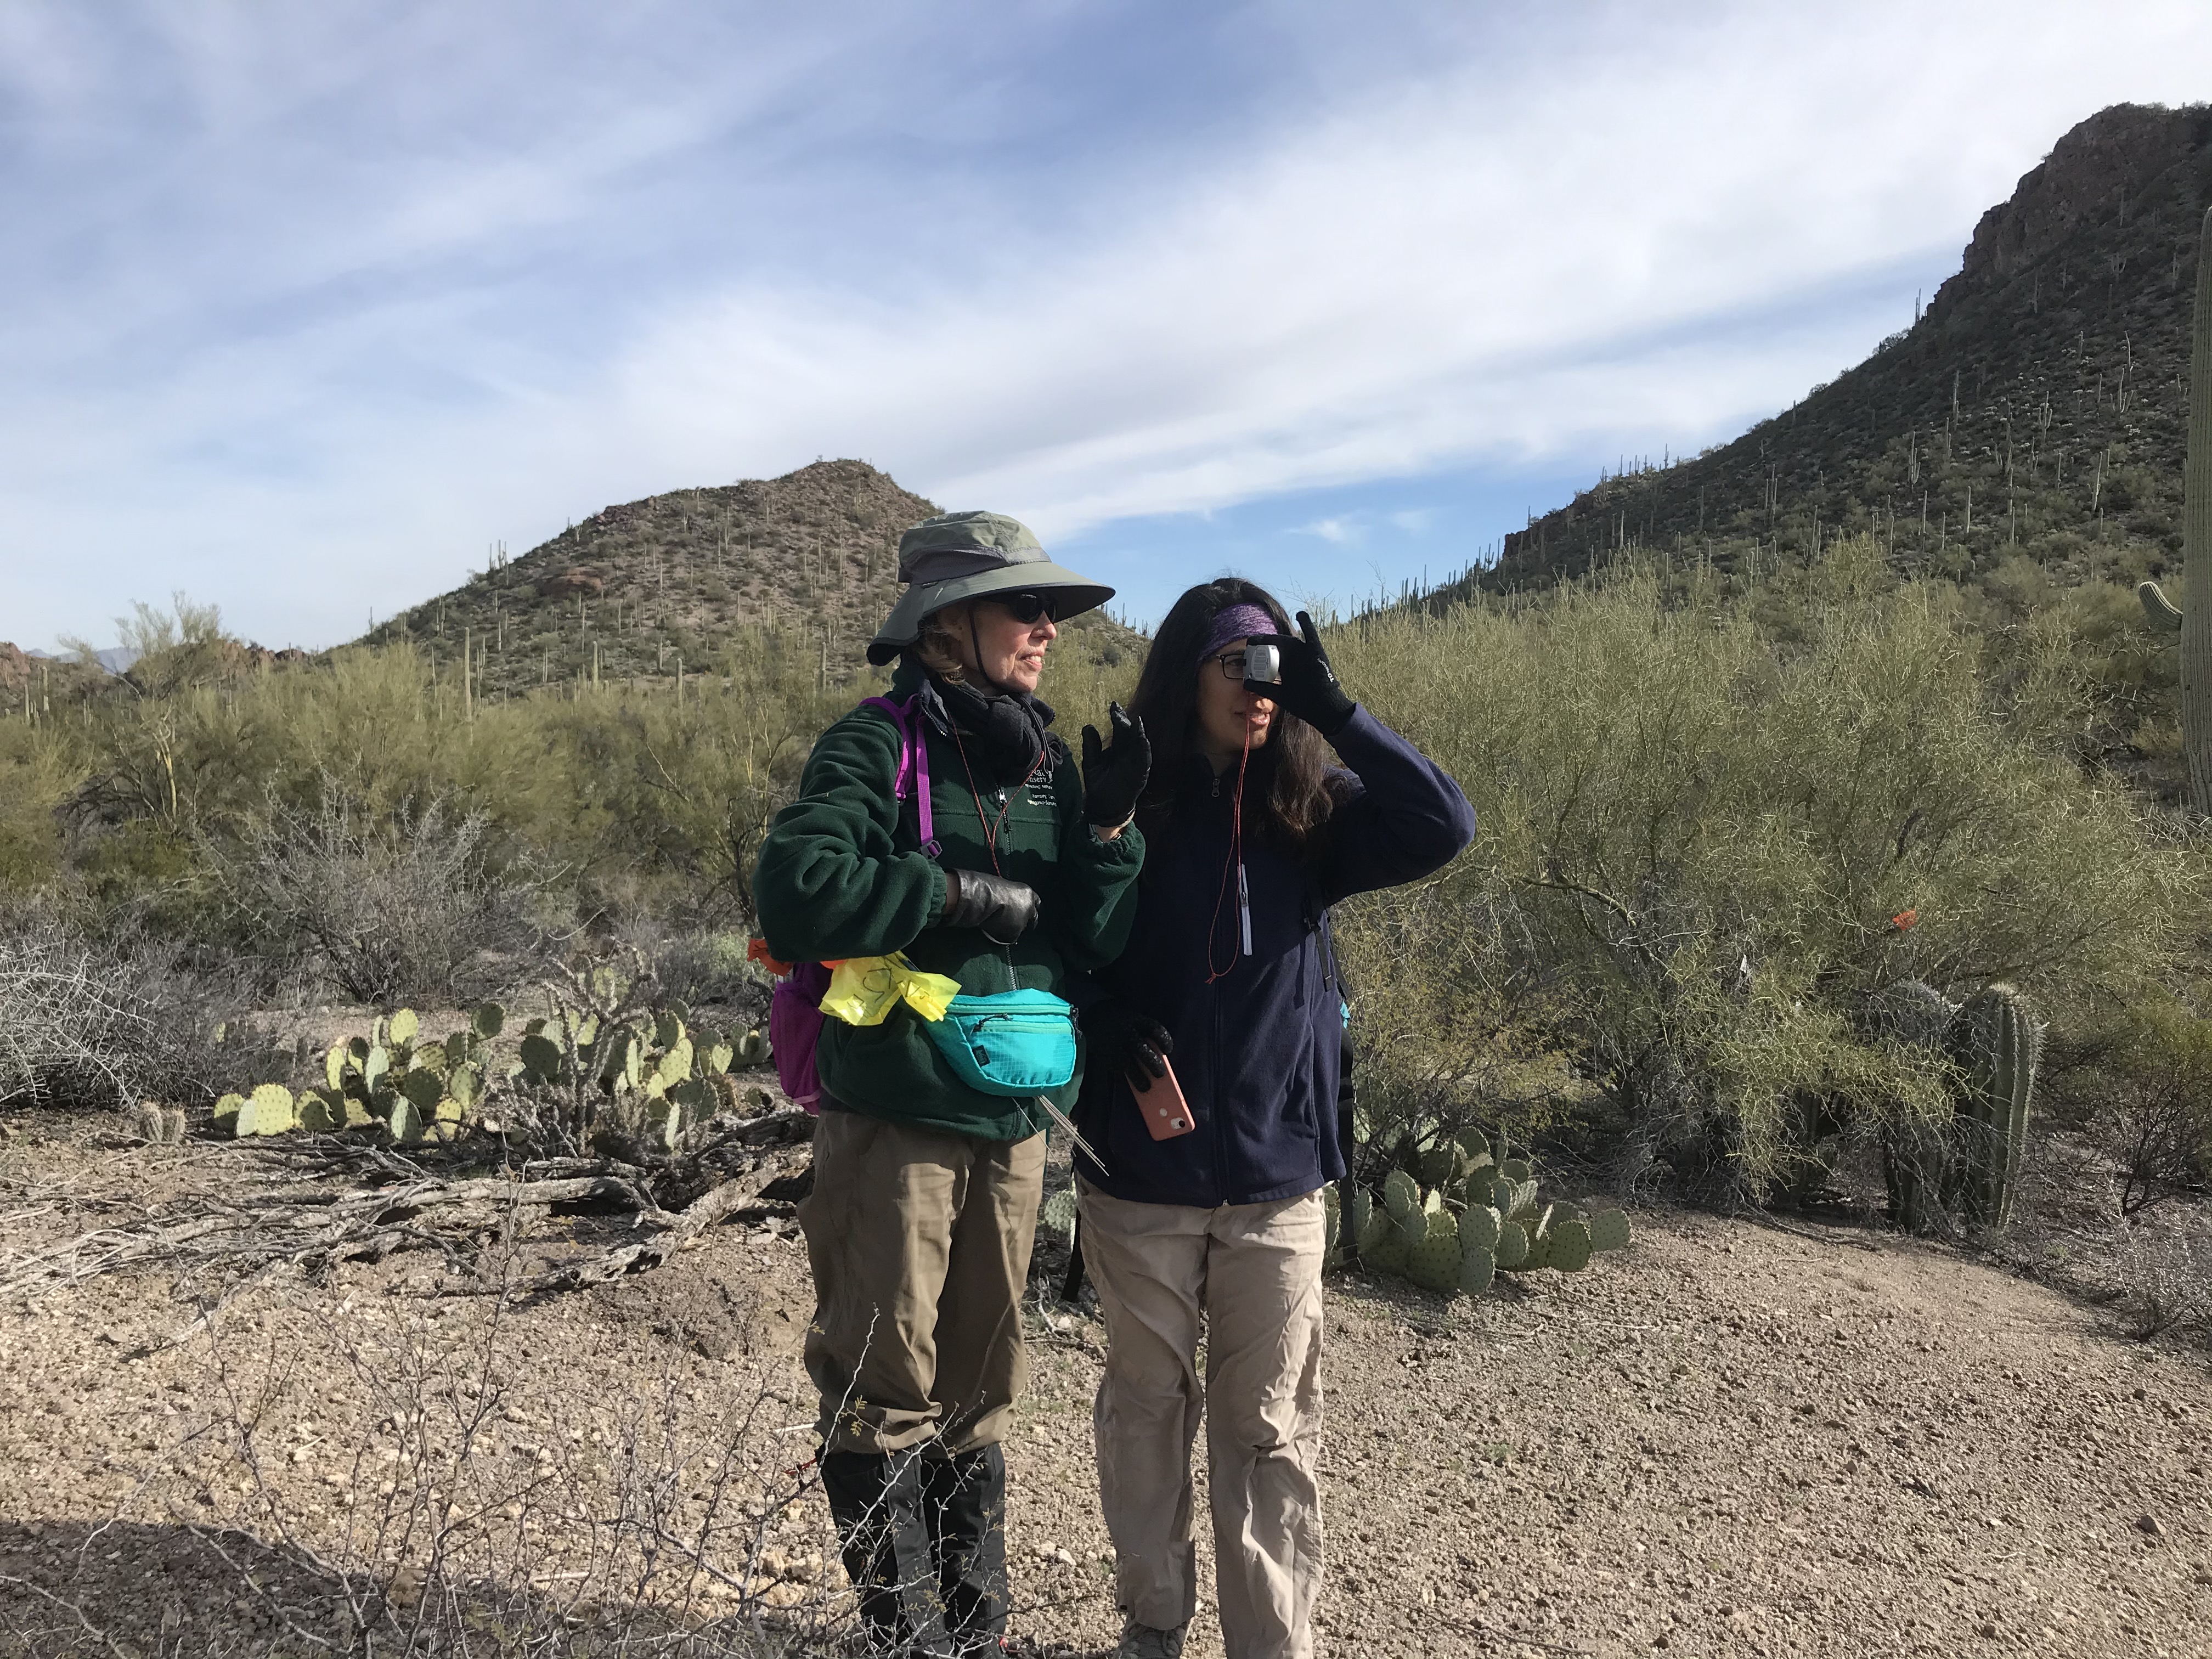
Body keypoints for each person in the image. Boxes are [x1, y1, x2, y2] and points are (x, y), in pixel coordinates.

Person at [753, 511, 1152, 1658]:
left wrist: (1113, 825)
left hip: (1014, 1118)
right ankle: (905, 1638)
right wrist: (953, 896)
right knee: (884, 1385)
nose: (1045, 631)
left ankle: (972, 1634)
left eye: (1050, 613)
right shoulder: (877, 745)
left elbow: (1095, 939)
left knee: (982, 1386)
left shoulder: (1044, 764)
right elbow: (797, 890)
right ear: (947, 625)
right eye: (1022, 608)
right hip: (897, 1114)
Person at [1074, 579, 1475, 1659]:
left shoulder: (1313, 805)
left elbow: (1445, 825)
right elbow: (1063, 939)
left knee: (1270, 1427)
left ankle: (1271, 1645)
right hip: (1141, 1171)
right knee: (1147, 1408)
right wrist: (1100, 1017)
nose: (1258, 690)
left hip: (1276, 1171)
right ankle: (1154, 1622)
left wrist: (1336, 712)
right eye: (1236, 664)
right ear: (1186, 674)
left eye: (1272, 670)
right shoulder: (1133, 794)